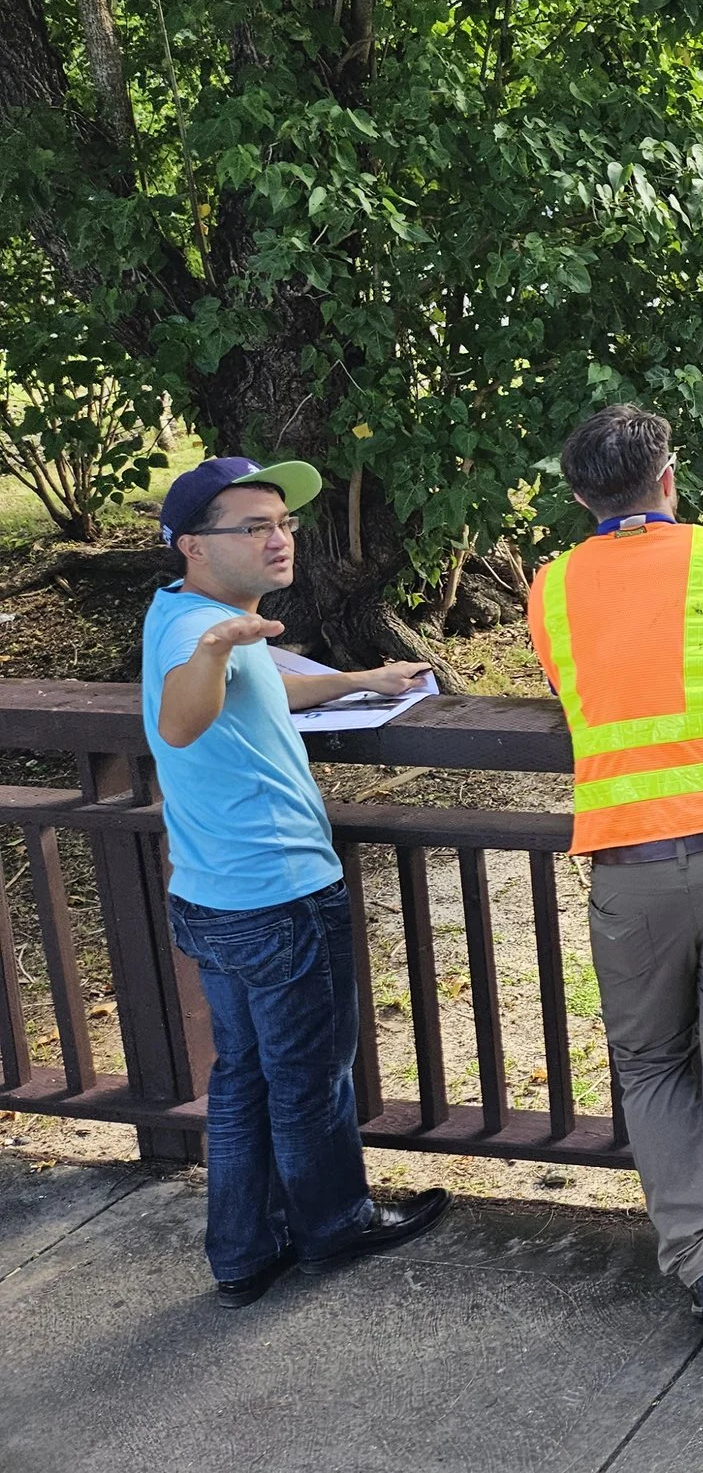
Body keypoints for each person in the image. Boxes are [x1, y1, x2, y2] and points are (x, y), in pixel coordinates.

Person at [142, 455, 452, 1309]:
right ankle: (333, 1223)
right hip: (277, 895)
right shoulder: (197, 635)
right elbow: (180, 717)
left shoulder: (189, 611)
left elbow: (270, 684)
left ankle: (241, 1252)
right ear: (192, 546)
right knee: (311, 1073)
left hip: (210, 893)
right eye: (254, 527)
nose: (279, 540)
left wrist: (359, 680)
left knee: (243, 1074)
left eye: (283, 524)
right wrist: (212, 651)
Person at [527, 404, 703, 1336]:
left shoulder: (551, 587)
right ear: (670, 474)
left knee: (648, 1063)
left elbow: (583, 689)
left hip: (630, 867)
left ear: (579, 497)